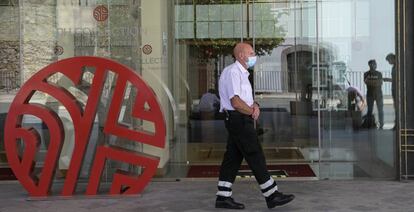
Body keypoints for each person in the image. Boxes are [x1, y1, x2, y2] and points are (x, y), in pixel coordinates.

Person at [215, 42, 294, 210]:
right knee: (255, 155)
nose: (254, 56)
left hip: (240, 118)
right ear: (242, 55)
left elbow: (244, 99)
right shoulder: (233, 72)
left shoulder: (242, 73)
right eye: (251, 52)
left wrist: (254, 105)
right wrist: (251, 111)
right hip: (238, 119)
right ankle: (272, 195)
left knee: (232, 158)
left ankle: (223, 196)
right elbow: (235, 102)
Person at [364, 59, 384, 129]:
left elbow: (380, 83)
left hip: (379, 94)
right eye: (372, 64)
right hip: (370, 94)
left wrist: (371, 82)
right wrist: (375, 82)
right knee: (369, 110)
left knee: (380, 110)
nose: (373, 65)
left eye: (374, 64)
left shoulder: (379, 73)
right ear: (369, 65)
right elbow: (366, 82)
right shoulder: (366, 73)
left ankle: (381, 125)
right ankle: (369, 125)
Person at [385, 53, 396, 129]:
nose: (389, 62)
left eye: (389, 60)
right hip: (394, 88)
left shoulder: (397, 67)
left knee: (397, 107)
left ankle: (397, 125)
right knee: (396, 107)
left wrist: (387, 79)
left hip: (396, 89)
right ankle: (396, 124)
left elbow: (397, 79)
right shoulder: (394, 67)